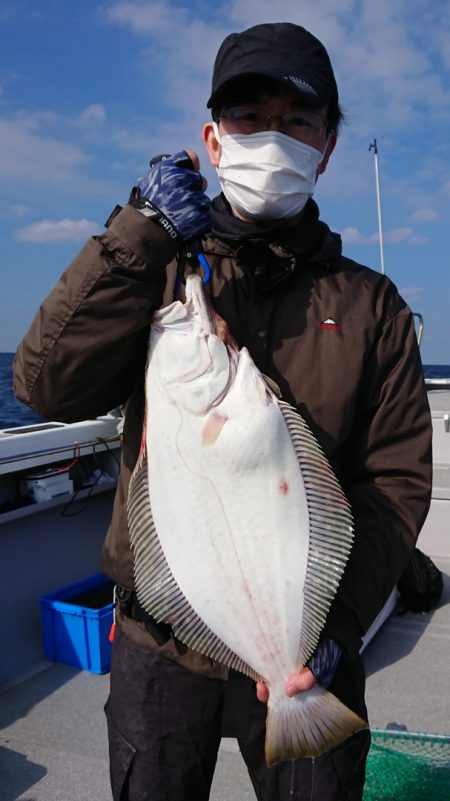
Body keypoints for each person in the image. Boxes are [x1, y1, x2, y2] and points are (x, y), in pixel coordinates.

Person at [14, 21, 432, 801]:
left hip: (301, 636)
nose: (271, 137)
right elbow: (46, 384)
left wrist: (329, 628)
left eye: (297, 119)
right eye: (248, 117)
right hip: (161, 644)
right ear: (211, 138)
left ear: (328, 144)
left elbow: (396, 481)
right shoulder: (156, 268)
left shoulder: (372, 304)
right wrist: (136, 235)